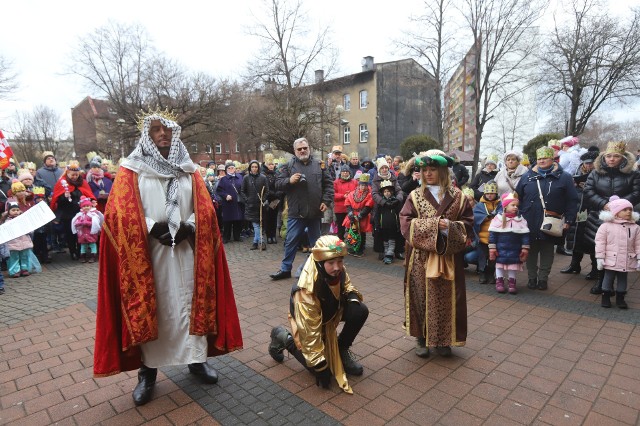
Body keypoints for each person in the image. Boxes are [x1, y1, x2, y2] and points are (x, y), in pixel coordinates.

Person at [93, 112, 243, 406]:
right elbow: (117, 213)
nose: (163, 134)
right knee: (154, 308)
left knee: (189, 304)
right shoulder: (131, 169)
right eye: (156, 130)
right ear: (146, 135)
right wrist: (151, 226)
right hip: (150, 256)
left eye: (167, 130)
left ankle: (196, 360)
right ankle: (147, 372)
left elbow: (206, 209)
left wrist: (190, 226)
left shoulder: (189, 169)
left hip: (188, 251)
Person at [267, 236, 368, 394]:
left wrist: (351, 295)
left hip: (328, 313)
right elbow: (309, 332)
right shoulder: (306, 291)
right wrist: (320, 366)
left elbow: (347, 284)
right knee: (318, 370)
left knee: (359, 310)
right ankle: (283, 337)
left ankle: (342, 349)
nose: (337, 267)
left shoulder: (337, 269)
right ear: (320, 262)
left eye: (340, 261)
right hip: (308, 324)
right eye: (331, 263)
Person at [400, 151, 473, 358]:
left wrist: (449, 227)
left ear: (443, 171)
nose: (428, 174)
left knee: (448, 297)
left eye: (433, 170)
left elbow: (468, 224)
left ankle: (443, 339)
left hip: (448, 257)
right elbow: (405, 222)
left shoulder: (459, 198)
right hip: (420, 258)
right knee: (420, 296)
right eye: (424, 170)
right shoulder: (414, 196)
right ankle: (421, 338)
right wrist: (433, 226)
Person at [270, 137, 334, 280]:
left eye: (305, 148)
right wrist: (289, 181)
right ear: (295, 151)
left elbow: (328, 184)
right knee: (290, 242)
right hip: (296, 213)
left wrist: (326, 201)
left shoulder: (320, 165)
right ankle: (285, 269)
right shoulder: (288, 166)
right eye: (299, 149)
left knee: (316, 244)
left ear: (309, 148)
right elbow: (277, 184)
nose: (303, 150)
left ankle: (318, 269)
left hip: (315, 212)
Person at [515, 146, 579, 291]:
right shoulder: (527, 176)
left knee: (547, 251)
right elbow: (518, 197)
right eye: (539, 159)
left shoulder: (564, 177)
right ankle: (532, 278)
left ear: (552, 159)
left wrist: (569, 220)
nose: (541, 161)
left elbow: (572, 200)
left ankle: (543, 279)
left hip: (552, 221)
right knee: (530, 250)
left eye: (545, 158)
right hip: (529, 220)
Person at [583, 141, 640, 295]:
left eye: (616, 156)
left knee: (620, 249)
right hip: (600, 215)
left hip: (624, 217)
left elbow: (636, 193)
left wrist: (620, 205)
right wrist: (603, 204)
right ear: (604, 157)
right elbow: (588, 190)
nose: (612, 159)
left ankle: (616, 282)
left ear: (622, 157)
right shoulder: (595, 173)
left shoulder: (633, 174)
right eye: (609, 156)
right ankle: (600, 280)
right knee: (599, 247)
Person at [595, 196, 640, 309]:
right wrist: (600, 257)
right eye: (624, 210)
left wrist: (639, 257)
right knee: (608, 276)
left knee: (623, 278)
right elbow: (600, 242)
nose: (628, 212)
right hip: (611, 258)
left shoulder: (635, 227)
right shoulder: (605, 226)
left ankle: (620, 298)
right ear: (616, 212)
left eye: (630, 209)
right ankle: (605, 296)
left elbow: (638, 244)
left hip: (627, 258)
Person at [562, 150, 599, 278]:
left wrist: (588, 188)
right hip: (579, 210)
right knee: (576, 237)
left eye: (591, 163)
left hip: (593, 212)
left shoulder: (600, 175)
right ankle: (574, 264)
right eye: (586, 163)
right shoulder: (577, 173)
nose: (589, 165)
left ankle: (595, 269)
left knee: (593, 239)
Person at [50, 160, 95, 260]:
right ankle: (72, 251)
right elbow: (57, 200)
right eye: (72, 175)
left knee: (80, 233)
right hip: (67, 214)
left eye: (76, 175)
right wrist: (64, 196)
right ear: (68, 174)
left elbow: (88, 194)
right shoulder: (62, 183)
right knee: (70, 233)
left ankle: (80, 251)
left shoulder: (82, 183)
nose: (74, 177)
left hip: (80, 212)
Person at [488, 193, 530, 294]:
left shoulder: (521, 220)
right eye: (513, 205)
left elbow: (525, 235)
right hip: (500, 249)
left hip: (515, 249)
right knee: (499, 265)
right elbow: (492, 234)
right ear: (505, 206)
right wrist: (492, 248)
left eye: (517, 206)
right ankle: (499, 282)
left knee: (513, 266)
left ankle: (512, 283)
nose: (515, 207)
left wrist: (525, 248)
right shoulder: (497, 219)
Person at [473, 180, 500, 284]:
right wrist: (486, 217)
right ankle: (482, 273)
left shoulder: (500, 205)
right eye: (487, 193)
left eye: (492, 193)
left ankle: (490, 274)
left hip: (495, 238)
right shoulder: (479, 205)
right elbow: (475, 217)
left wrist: (496, 216)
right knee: (482, 257)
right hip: (482, 237)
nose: (489, 195)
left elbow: (503, 215)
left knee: (493, 258)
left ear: (496, 193)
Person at [241, 160, 269, 250]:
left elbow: (267, 191)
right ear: (250, 168)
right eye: (252, 167)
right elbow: (242, 191)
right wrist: (247, 200)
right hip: (250, 205)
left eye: (256, 167)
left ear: (258, 168)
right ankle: (261, 241)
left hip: (260, 205)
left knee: (259, 224)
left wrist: (263, 199)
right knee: (256, 225)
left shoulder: (263, 178)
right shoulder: (246, 178)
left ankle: (255, 242)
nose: (254, 168)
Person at [343, 174, 374, 256]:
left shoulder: (369, 194)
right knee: (352, 231)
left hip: (362, 216)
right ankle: (352, 247)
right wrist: (350, 213)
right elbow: (348, 203)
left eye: (365, 185)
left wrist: (360, 215)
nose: (363, 187)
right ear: (359, 185)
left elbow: (368, 206)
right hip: (353, 214)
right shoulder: (352, 193)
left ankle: (360, 248)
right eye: (361, 185)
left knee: (362, 233)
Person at [2, 201, 34, 277]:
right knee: (13, 258)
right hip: (12, 243)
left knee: (25, 256)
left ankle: (25, 269)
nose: (16, 212)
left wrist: (28, 230)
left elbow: (31, 229)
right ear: (8, 211)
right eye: (13, 210)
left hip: (24, 241)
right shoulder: (6, 222)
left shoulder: (24, 220)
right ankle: (14, 271)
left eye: (17, 210)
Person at [216, 163, 244, 244]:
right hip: (228, 203)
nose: (231, 169)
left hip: (238, 202)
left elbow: (243, 188)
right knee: (227, 221)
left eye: (233, 168)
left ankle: (237, 236)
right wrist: (225, 195)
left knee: (238, 220)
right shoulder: (223, 179)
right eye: (229, 168)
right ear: (226, 170)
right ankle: (226, 237)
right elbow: (219, 190)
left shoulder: (240, 177)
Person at [376, 179, 402, 264]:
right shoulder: (381, 204)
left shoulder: (395, 202)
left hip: (393, 226)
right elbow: (377, 215)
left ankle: (389, 255)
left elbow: (399, 214)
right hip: (383, 226)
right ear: (383, 193)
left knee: (392, 240)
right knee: (385, 241)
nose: (387, 193)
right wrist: (377, 225)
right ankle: (386, 253)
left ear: (391, 192)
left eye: (388, 191)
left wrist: (399, 225)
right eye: (385, 191)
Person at [71, 196, 101, 263]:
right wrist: (79, 223)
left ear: (90, 206)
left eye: (88, 206)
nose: (86, 207)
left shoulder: (93, 214)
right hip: (82, 234)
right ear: (81, 207)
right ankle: (83, 257)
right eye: (84, 206)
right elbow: (75, 222)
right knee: (83, 246)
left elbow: (95, 223)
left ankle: (93, 256)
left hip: (91, 233)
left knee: (92, 245)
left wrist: (86, 223)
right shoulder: (79, 215)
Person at [333, 165, 357, 240]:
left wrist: (351, 196)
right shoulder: (336, 182)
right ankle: (340, 242)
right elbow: (332, 194)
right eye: (343, 172)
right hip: (340, 209)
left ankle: (353, 243)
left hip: (352, 208)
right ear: (341, 173)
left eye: (346, 172)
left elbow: (357, 192)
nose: (345, 173)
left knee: (353, 226)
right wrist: (343, 196)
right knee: (340, 227)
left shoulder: (354, 182)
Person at [262, 154, 282, 244]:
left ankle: (273, 235)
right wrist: (272, 193)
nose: (271, 166)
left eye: (272, 164)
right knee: (267, 218)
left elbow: (281, 185)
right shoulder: (263, 174)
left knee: (274, 217)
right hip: (267, 199)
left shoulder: (277, 173)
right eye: (269, 164)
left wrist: (279, 193)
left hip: (276, 199)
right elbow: (263, 188)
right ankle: (269, 236)